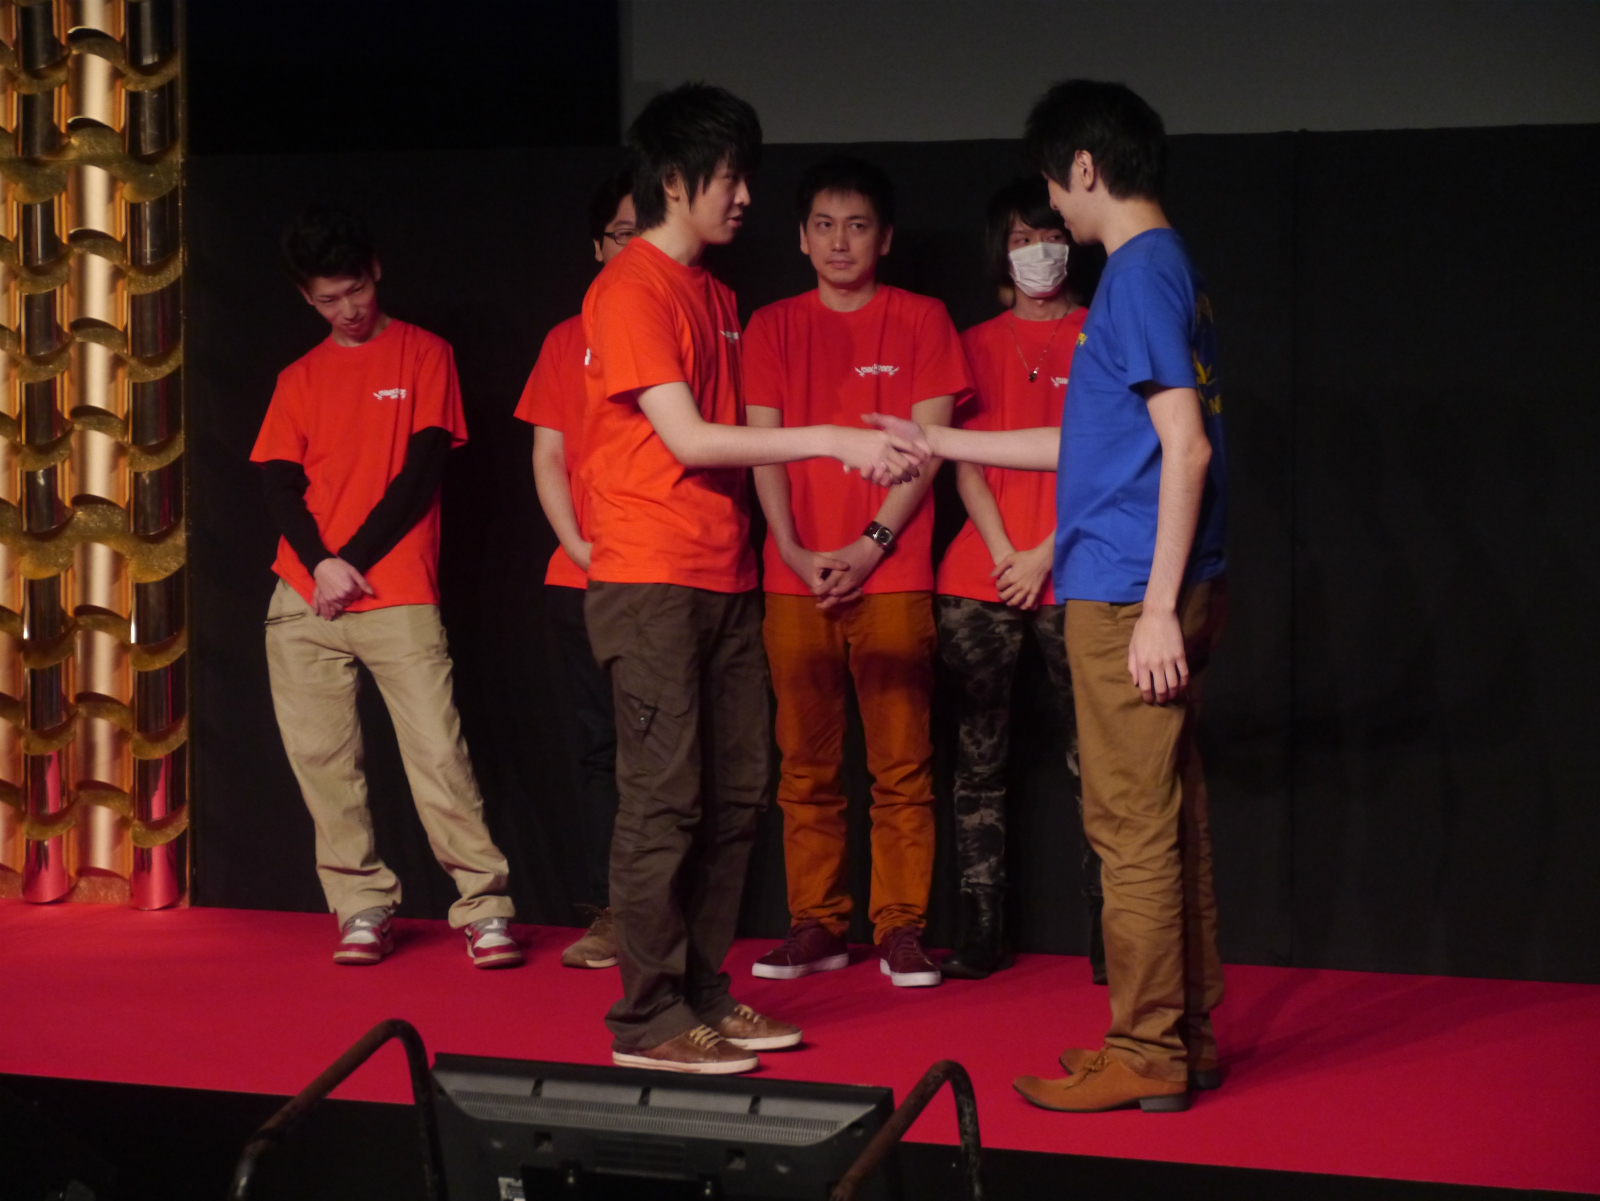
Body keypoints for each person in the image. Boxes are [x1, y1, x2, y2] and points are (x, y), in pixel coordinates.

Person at [871, 80, 1228, 1113]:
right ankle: (1185, 1037)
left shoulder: (1139, 272)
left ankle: (1148, 1049)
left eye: (1053, 186)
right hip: (1145, 580)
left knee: (1131, 826)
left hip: (1127, 590)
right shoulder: (1162, 268)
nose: (1053, 214)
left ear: (1083, 167)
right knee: (1167, 817)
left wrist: (1154, 606)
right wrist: (936, 439)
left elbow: (1185, 447)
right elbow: (1091, 442)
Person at [580, 85, 927, 1074]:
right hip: (650, 577)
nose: (743, 198)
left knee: (737, 795)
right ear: (677, 178)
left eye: (745, 178)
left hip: (725, 574)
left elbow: (738, 443)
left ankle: (701, 992)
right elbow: (690, 438)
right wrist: (832, 440)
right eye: (730, 178)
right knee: (663, 802)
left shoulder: (716, 296)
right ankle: (647, 1017)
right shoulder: (632, 287)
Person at [252, 207, 523, 970]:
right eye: (328, 299)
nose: (347, 308)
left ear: (376, 270)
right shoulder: (298, 378)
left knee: (438, 754)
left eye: (356, 290)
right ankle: (361, 905)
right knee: (323, 761)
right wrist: (320, 566)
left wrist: (348, 563)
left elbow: (421, 474)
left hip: (395, 587)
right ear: (306, 298)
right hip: (303, 596)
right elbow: (278, 486)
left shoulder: (424, 354)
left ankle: (485, 907)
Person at [742, 156, 968, 989]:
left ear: (886, 237)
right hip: (793, 574)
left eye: (858, 225)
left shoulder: (922, 318)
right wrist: (793, 548)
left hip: (894, 571)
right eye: (825, 225)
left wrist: (871, 544)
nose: (841, 241)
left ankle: (901, 928)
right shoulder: (772, 325)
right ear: (802, 238)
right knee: (804, 765)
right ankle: (817, 923)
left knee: (901, 762)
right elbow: (764, 448)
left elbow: (929, 449)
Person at [935, 177, 1103, 983]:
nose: (1038, 251)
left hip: (1077, 571)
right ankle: (981, 924)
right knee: (978, 757)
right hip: (980, 575)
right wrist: (1007, 551)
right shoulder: (970, 342)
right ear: (1000, 251)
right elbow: (962, 458)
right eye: (1021, 239)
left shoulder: (1101, 331)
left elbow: (1111, 461)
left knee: (1095, 758)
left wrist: (1045, 553)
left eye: (1050, 235)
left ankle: (1113, 927)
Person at [514, 170, 637, 970]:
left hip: (667, 577)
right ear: (598, 247)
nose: (634, 246)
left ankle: (671, 916)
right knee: (601, 753)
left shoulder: (700, 319)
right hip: (582, 577)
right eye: (622, 233)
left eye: (646, 231)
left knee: (669, 757)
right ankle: (612, 912)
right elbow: (548, 454)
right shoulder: (566, 339)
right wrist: (580, 545)